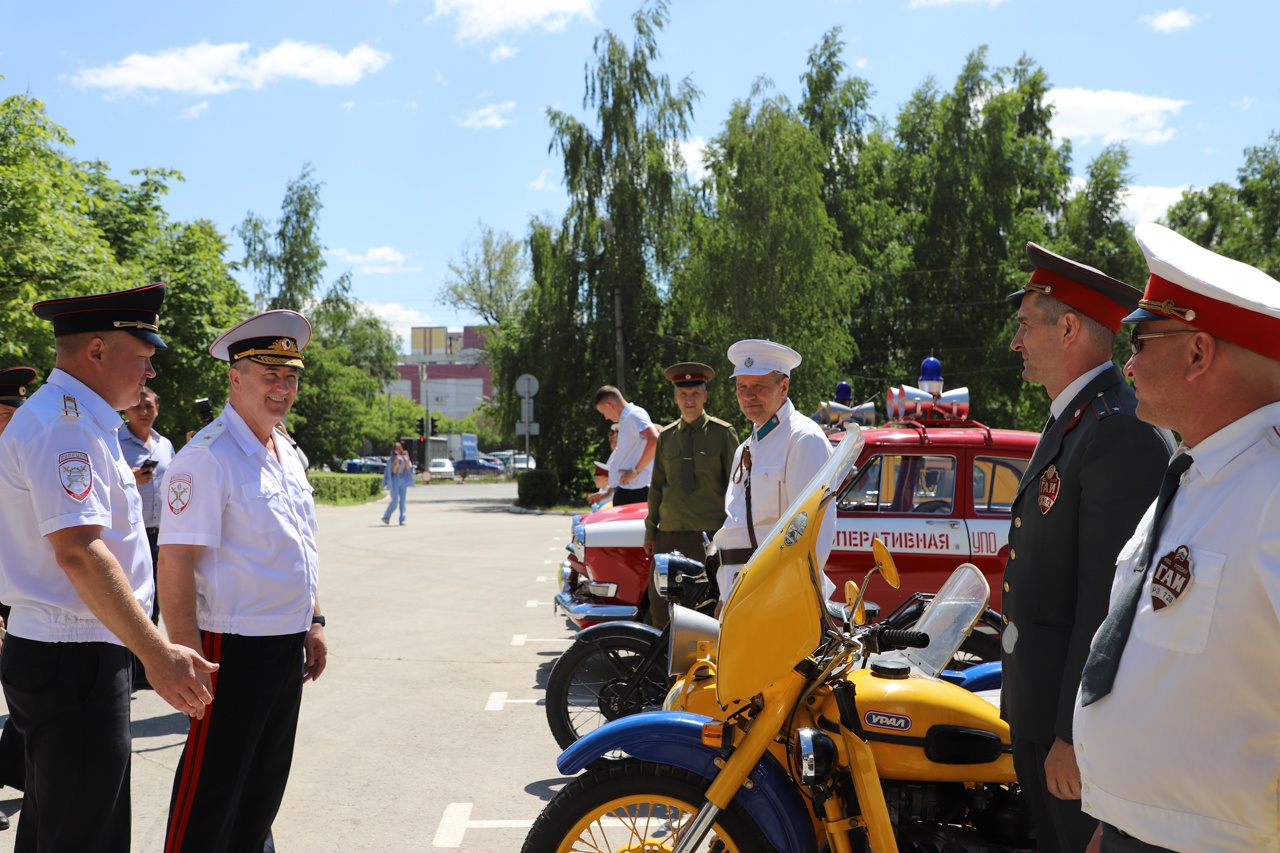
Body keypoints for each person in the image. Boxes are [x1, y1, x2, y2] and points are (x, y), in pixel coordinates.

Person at [1069, 224, 1280, 853]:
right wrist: (1117, 815)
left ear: (1198, 353)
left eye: (1141, 340)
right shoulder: (1196, 473)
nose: (1126, 364)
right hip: (1145, 830)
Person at [0, 284, 216, 852]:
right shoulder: (64, 424)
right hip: (74, 656)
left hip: (76, 652)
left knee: (57, 827)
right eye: (142, 357)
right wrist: (157, 652)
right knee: (84, 836)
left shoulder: (77, 419)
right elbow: (79, 551)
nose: (148, 374)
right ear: (97, 351)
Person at [1001, 243, 1174, 853]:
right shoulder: (1074, 418)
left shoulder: (1117, 428)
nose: (1015, 341)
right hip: (1044, 716)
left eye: (1025, 325)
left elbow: (1109, 602)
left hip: (1070, 736)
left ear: (1068, 326)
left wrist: (1074, 736)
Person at [158, 309, 326, 853]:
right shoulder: (206, 458)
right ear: (235, 376)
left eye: (292, 376)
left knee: (261, 791)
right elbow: (176, 561)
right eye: (269, 374)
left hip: (282, 644)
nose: (283, 388)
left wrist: (315, 620)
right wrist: (183, 655)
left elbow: (300, 542)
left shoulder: (286, 451)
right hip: (227, 648)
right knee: (210, 798)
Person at [711, 339, 833, 613]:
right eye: (742, 387)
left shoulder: (803, 439)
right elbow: (737, 528)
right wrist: (725, 596)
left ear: (784, 387)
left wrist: (780, 599)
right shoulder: (746, 447)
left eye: (759, 386)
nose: (748, 395)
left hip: (777, 600)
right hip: (740, 595)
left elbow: (813, 534)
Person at [642, 362, 738, 629]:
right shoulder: (667, 437)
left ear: (705, 396)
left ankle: (704, 661)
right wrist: (651, 531)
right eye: (683, 394)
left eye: (695, 393)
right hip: (669, 532)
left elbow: (737, 487)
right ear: (675, 398)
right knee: (659, 599)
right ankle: (664, 661)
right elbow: (657, 485)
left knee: (706, 599)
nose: (689, 400)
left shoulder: (722, 434)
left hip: (707, 536)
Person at [0, 366, 38, 829]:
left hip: (16, 596)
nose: (13, 422)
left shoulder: (21, 457)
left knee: (23, 701)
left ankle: (25, 779)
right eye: (6, 413)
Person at [120, 386, 176, 623]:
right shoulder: (114, 441)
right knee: (131, 601)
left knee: (156, 602)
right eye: (137, 407)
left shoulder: (165, 445)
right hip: (129, 536)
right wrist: (128, 478)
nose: (143, 411)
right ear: (125, 409)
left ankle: (149, 659)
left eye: (149, 406)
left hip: (162, 537)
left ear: (157, 409)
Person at [593, 386, 659, 506]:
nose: (606, 417)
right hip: (627, 491)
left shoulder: (634, 414)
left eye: (603, 412)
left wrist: (635, 471)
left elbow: (654, 439)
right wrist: (609, 492)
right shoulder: (626, 419)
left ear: (609, 405)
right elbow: (627, 458)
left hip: (636, 493)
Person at [587, 423, 620, 507]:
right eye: (612, 441)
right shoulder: (615, 454)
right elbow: (615, 479)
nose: (613, 444)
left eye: (617, 441)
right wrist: (606, 493)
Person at [381, 441, 413, 525]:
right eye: (396, 449)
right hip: (395, 479)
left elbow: (407, 467)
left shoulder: (404, 458)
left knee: (402, 501)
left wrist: (407, 457)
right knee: (395, 500)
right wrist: (396, 461)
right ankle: (386, 517)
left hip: (403, 479)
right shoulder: (391, 460)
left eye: (399, 448)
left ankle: (402, 519)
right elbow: (393, 471)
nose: (398, 450)